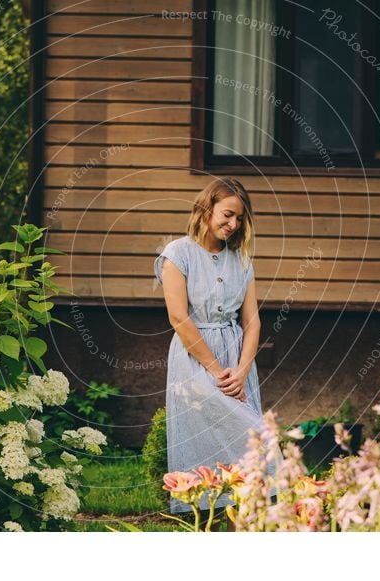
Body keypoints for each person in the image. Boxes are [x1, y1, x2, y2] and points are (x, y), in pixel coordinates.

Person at [154, 177, 275, 521]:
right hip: (195, 360)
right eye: (227, 214)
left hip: (237, 360)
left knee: (250, 444)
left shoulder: (242, 260)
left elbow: (252, 322)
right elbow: (178, 317)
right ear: (206, 209)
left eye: (239, 218)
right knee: (205, 443)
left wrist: (240, 369)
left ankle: (244, 528)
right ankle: (205, 525)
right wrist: (214, 368)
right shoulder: (178, 253)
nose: (233, 224)